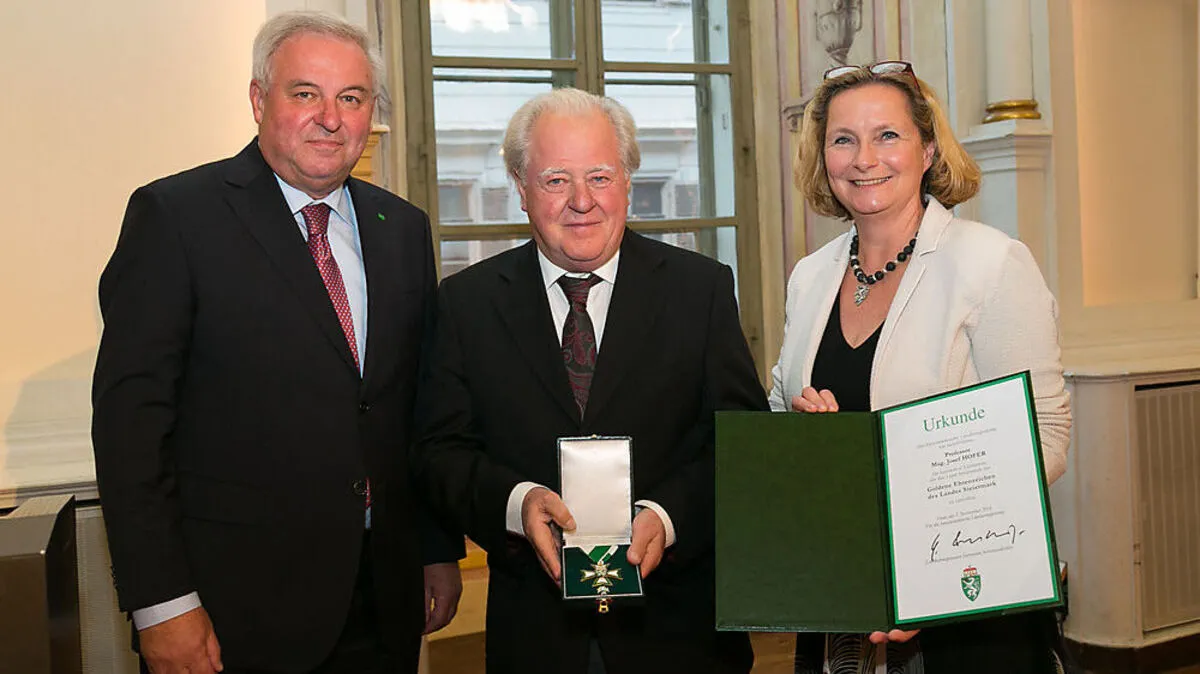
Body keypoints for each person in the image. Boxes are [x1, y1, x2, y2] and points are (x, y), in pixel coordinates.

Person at [91, 11, 463, 674]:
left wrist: (435, 549)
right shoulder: (177, 218)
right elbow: (130, 433)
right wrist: (162, 605)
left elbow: (413, 411)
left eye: (351, 98)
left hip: (383, 599)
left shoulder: (400, 228)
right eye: (305, 93)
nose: (330, 117)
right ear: (260, 100)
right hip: (232, 613)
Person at [413, 87, 767, 674]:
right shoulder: (466, 305)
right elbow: (437, 453)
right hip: (534, 635)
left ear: (627, 182)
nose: (582, 201)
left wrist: (669, 515)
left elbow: (741, 440)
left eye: (600, 177)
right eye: (556, 180)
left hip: (678, 632)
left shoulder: (698, 290)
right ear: (521, 190)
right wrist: (515, 502)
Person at [770, 62, 1071, 674]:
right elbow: (780, 415)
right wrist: (804, 432)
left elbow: (1046, 437)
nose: (863, 159)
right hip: (841, 593)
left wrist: (932, 576)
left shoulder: (990, 263)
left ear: (928, 149)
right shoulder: (810, 277)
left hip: (968, 601)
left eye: (887, 135)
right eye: (843, 139)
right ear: (822, 156)